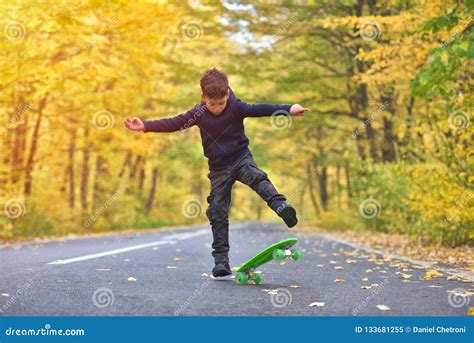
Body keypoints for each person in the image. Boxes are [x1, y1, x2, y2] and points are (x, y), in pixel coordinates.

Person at [124, 68, 309, 277]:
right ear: (203, 98)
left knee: (257, 177)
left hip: (240, 158)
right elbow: (174, 123)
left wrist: (288, 109)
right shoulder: (198, 113)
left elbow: (261, 109)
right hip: (218, 168)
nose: (217, 108)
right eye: (212, 104)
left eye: (221, 103)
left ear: (227, 94)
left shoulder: (236, 107)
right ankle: (221, 262)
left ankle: (280, 205)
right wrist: (145, 125)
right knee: (217, 212)